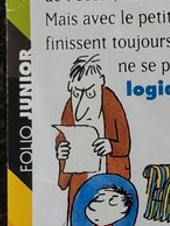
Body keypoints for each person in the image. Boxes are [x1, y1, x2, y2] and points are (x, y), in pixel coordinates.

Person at [55, 54, 131, 217]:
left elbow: (124, 143)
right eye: (77, 92)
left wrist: (110, 146)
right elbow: (62, 136)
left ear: (101, 82)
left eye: (90, 93)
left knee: (110, 216)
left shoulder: (110, 101)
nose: (83, 100)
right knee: (79, 215)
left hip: (108, 175)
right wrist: (61, 150)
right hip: (80, 176)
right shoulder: (70, 105)